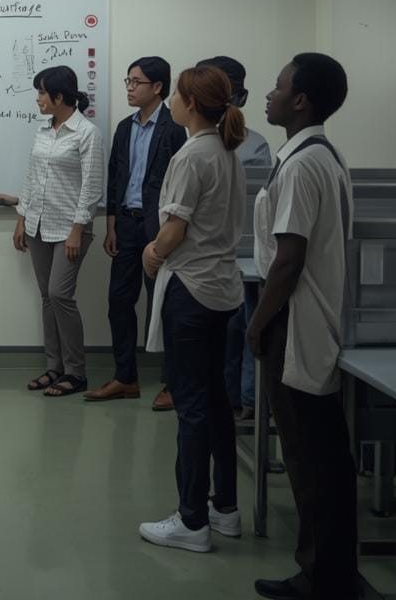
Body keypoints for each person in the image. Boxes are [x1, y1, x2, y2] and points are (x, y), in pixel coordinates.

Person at [245, 53, 359, 600]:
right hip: (304, 318)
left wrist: (257, 323)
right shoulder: (315, 155)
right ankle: (327, 571)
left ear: (302, 101)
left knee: (311, 457)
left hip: (295, 321)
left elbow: (289, 260)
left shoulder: (303, 165)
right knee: (319, 454)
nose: (269, 95)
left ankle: (323, 577)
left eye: (278, 86)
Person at [138, 66, 247, 553]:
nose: (173, 104)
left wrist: (153, 252)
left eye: (178, 96)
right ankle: (225, 508)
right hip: (222, 289)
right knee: (218, 402)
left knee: (192, 406)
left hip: (191, 290)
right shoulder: (226, 150)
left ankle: (191, 520)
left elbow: (175, 228)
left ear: (191, 103)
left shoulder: (191, 155)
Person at [85, 56, 187, 406]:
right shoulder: (125, 127)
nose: (129, 88)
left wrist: (169, 231)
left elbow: (180, 183)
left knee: (162, 304)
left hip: (159, 227)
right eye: (127, 81)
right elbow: (115, 177)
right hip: (126, 225)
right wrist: (111, 225)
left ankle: (172, 382)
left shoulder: (174, 127)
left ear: (157, 87)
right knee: (118, 300)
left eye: (136, 82)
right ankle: (125, 377)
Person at [15, 65, 104, 398]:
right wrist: (22, 218)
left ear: (59, 96)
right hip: (38, 224)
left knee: (59, 294)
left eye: (41, 92)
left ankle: (76, 372)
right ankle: (54, 367)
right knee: (47, 297)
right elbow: (32, 177)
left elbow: (92, 187)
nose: (38, 99)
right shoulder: (43, 130)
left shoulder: (86, 133)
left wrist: (77, 229)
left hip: (70, 228)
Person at [200, 55, 270, 418]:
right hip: (207, 254)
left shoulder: (253, 146)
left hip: (239, 252)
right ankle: (225, 399)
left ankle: (242, 400)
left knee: (240, 326)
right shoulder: (193, 141)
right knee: (218, 332)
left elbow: (257, 208)